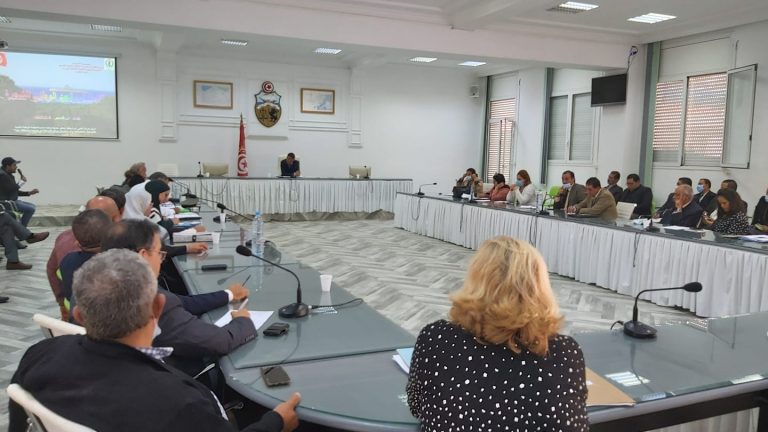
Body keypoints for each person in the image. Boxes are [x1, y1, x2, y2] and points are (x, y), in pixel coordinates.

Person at [9, 249, 301, 432]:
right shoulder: (179, 401)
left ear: (79, 316)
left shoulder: (39, 354)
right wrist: (275, 422)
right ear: (159, 308)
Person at [406, 237, 587, 432]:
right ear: (539, 285)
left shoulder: (436, 339)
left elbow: (417, 405)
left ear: (475, 281)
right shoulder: (566, 352)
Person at [101, 219, 255, 375]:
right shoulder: (149, 299)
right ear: (143, 256)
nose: (161, 260)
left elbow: (181, 302)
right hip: (174, 376)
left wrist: (228, 295)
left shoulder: (99, 287)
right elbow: (220, 341)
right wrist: (243, 321)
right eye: (159, 253)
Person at [46, 196, 122, 320]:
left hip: (74, 313)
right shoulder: (115, 261)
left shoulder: (65, 247)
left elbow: (51, 270)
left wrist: (62, 305)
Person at [59, 210, 113, 307]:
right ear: (110, 236)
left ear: (77, 242)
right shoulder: (112, 264)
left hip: (74, 309)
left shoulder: (68, 259)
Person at [0, 157, 39, 227]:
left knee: (32, 206)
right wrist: (21, 182)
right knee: (30, 209)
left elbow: (13, 191)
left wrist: (28, 193)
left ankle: (18, 226)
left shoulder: (8, 175)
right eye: (14, 165)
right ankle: (21, 230)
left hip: (11, 201)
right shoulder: (2, 176)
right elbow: (11, 189)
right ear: (8, 166)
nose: (16, 167)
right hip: (6, 203)